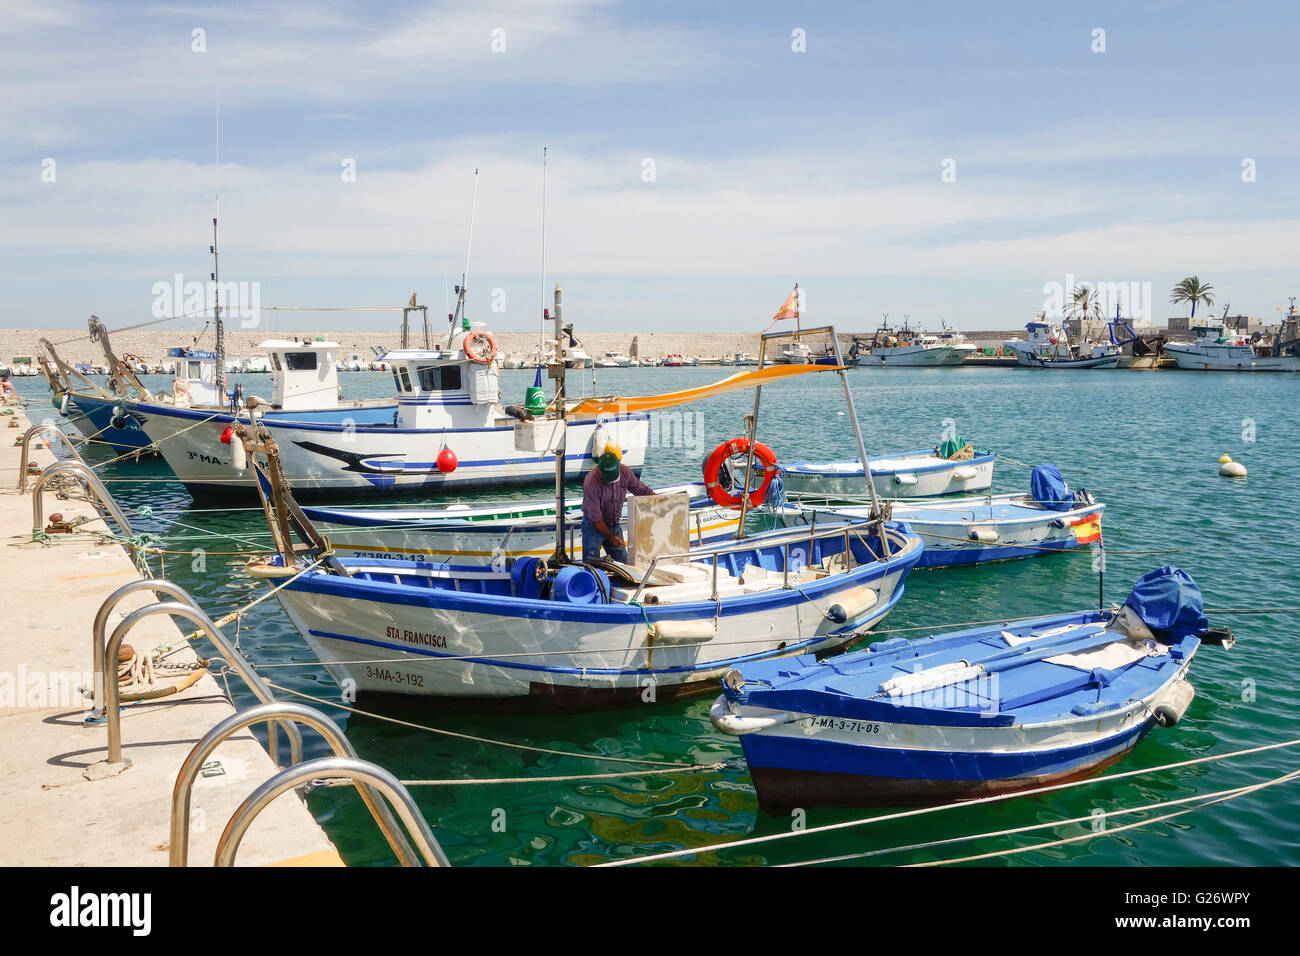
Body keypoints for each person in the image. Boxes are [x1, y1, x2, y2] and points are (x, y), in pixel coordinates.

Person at [582, 441, 654, 563]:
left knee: (622, 563)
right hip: (593, 526)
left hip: (613, 523)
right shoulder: (591, 481)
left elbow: (641, 490)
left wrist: (659, 500)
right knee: (591, 563)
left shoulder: (625, 472)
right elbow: (595, 518)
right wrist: (611, 537)